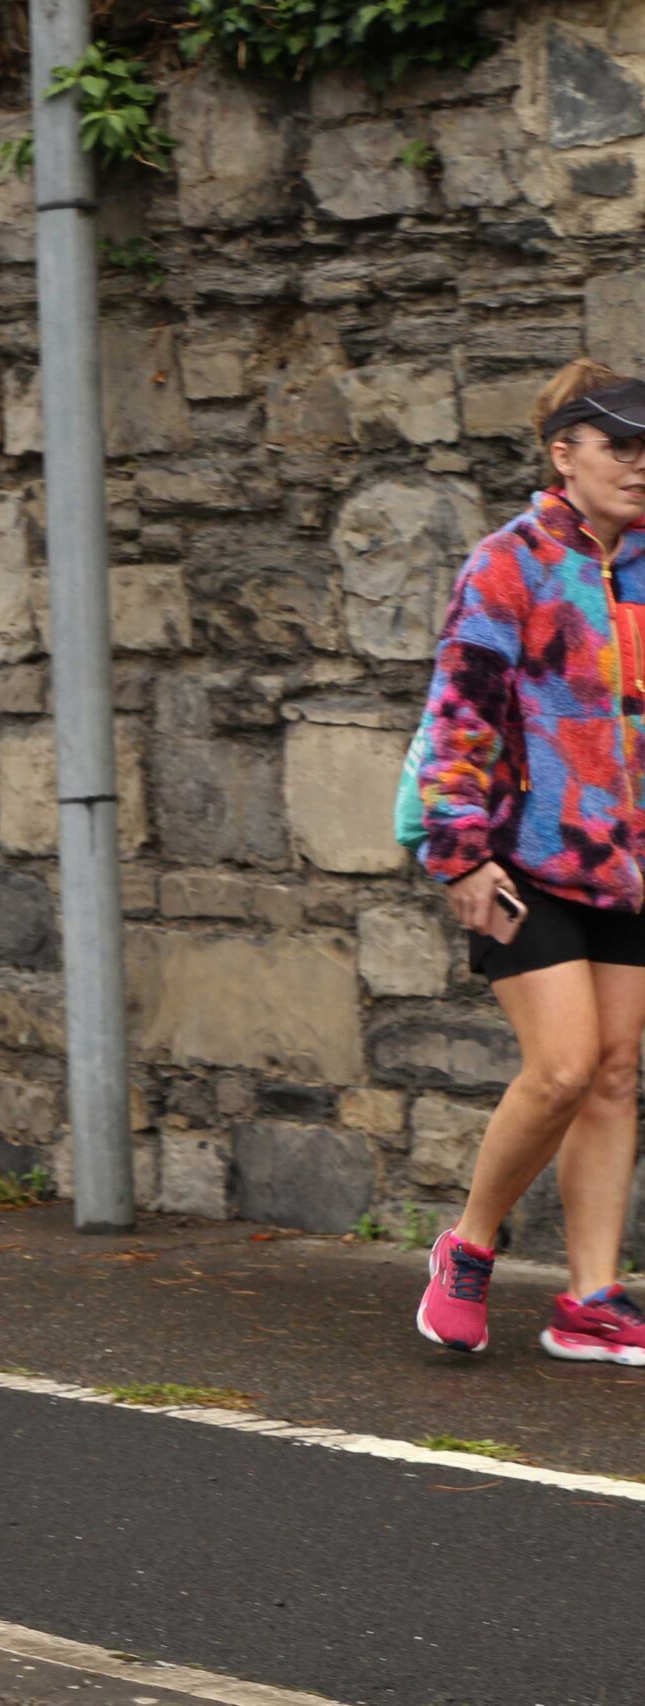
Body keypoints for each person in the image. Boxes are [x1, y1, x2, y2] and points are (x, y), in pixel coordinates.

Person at [413, 359, 645, 1367]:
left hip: (630, 869)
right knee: (558, 1070)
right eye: (620, 446)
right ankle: (468, 1245)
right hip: (522, 861)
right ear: (564, 454)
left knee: (614, 1075)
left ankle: (588, 1299)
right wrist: (460, 855)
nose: (639, 465)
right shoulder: (508, 562)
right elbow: (456, 717)